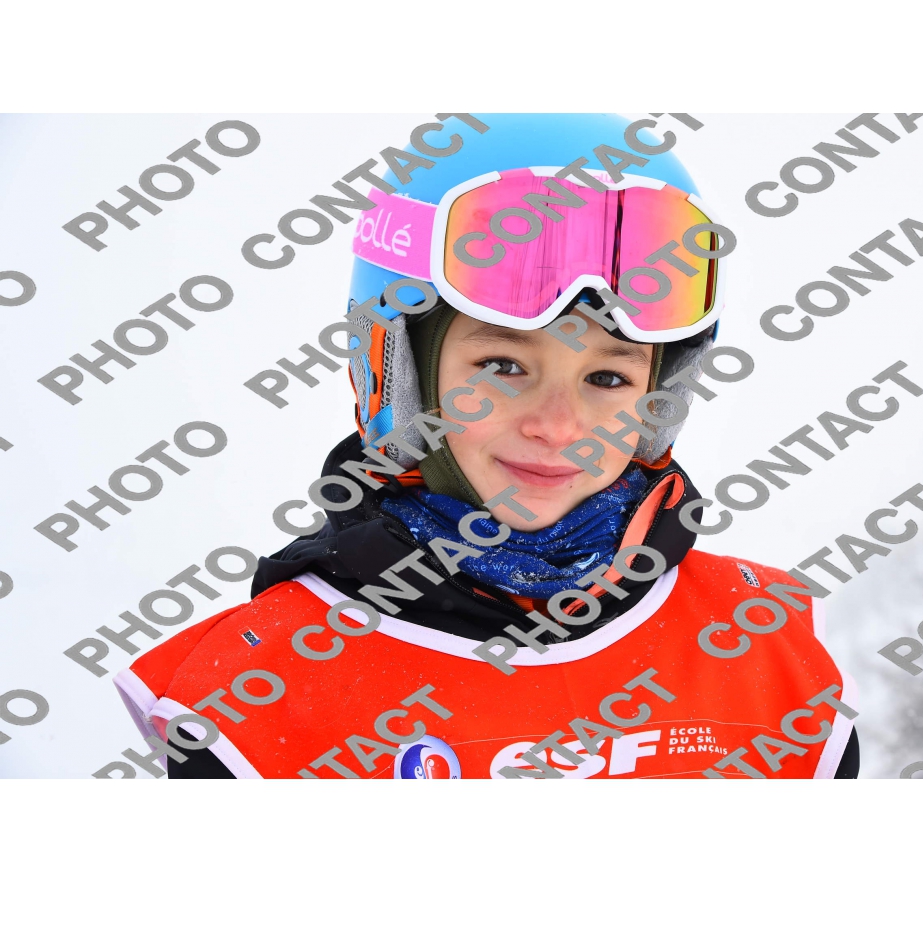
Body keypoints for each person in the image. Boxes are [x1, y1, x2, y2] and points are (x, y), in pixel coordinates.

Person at [114, 114, 859, 779]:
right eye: (503, 366)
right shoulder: (250, 697)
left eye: (607, 377)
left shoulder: (766, 649)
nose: (558, 426)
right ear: (397, 375)